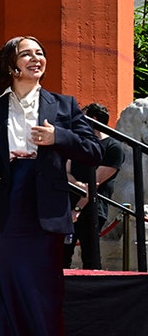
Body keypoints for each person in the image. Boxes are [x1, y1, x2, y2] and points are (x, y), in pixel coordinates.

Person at [0, 36, 102, 336]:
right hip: (4, 210)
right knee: (6, 299)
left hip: (44, 213)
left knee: (41, 302)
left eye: (40, 53)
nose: (37, 58)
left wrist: (58, 137)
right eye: (27, 53)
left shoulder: (63, 105)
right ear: (11, 64)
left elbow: (94, 150)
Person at [62, 102, 124, 269]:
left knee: (90, 256)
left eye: (82, 117)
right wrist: (78, 185)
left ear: (93, 120)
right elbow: (66, 171)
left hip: (92, 209)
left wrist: (77, 210)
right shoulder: (79, 144)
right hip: (66, 206)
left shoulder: (113, 147)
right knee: (61, 255)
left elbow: (95, 183)